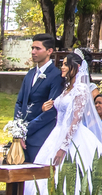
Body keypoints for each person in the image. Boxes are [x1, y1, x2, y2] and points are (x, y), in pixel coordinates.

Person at [22, 50, 102, 195]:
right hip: (56, 133)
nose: (62, 67)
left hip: (72, 137)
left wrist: (64, 146)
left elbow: (76, 120)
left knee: (69, 179)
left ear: (76, 67)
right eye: (62, 64)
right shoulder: (66, 89)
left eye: (65, 64)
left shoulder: (80, 89)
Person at [14, 34, 65, 162]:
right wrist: (18, 130)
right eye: (32, 48)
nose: (33, 52)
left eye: (37, 48)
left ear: (49, 51)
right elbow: (19, 103)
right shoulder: (30, 74)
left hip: (41, 135)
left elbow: (51, 110)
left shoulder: (56, 76)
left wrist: (26, 129)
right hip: (22, 135)